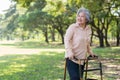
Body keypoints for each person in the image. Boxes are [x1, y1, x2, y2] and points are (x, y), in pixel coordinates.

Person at [64, 7, 95, 80]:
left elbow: (87, 42)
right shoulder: (73, 27)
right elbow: (66, 40)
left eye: (82, 16)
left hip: (82, 60)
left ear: (86, 19)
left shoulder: (88, 29)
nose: (79, 18)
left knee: (79, 78)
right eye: (78, 16)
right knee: (75, 78)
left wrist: (90, 52)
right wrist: (69, 52)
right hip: (72, 58)